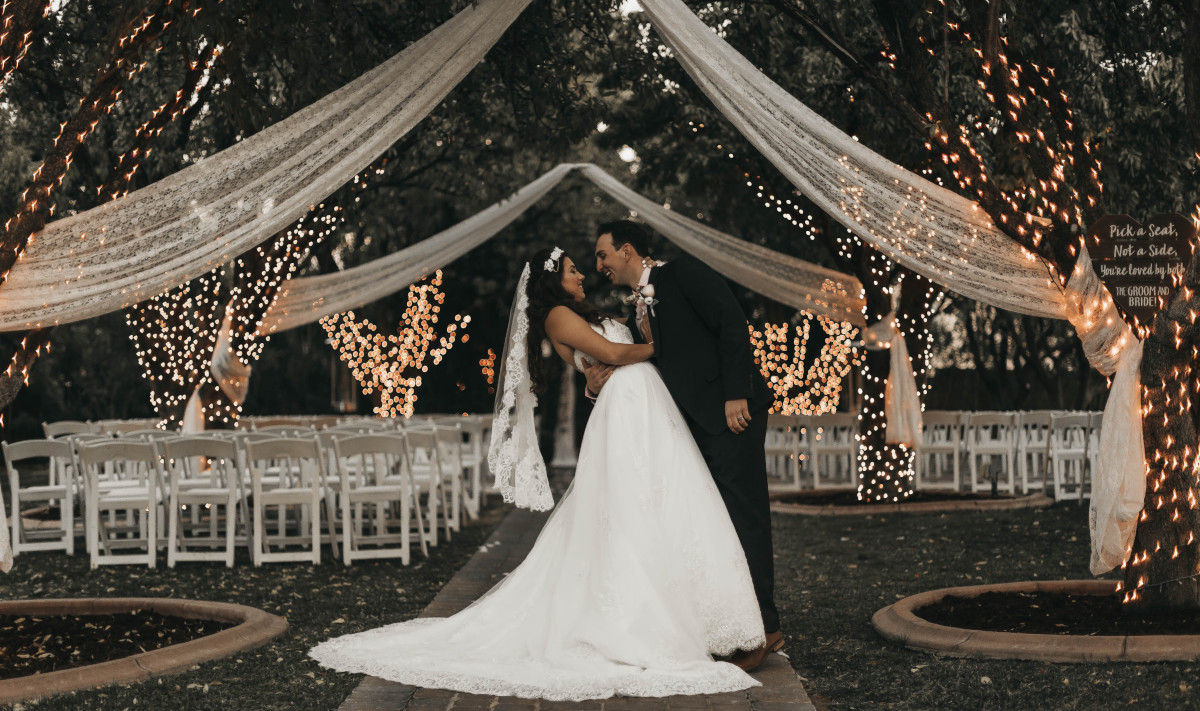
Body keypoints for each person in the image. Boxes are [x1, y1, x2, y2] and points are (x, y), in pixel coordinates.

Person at [310, 246, 765, 700]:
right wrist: (668, 350)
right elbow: (609, 351)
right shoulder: (556, 317)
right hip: (628, 409)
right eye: (573, 270)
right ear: (553, 280)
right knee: (631, 508)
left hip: (645, 405)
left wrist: (617, 359)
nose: (583, 274)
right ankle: (644, 618)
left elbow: (609, 356)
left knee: (667, 501)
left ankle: (699, 616)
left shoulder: (584, 310)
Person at [589, 220, 781, 671]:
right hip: (689, 425)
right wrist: (597, 381)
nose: (599, 265)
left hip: (731, 414)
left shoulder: (683, 274)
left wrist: (737, 394)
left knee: (744, 515)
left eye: (603, 255)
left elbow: (732, 324)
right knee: (714, 524)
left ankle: (767, 629)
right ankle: (731, 624)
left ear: (628, 250)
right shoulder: (636, 305)